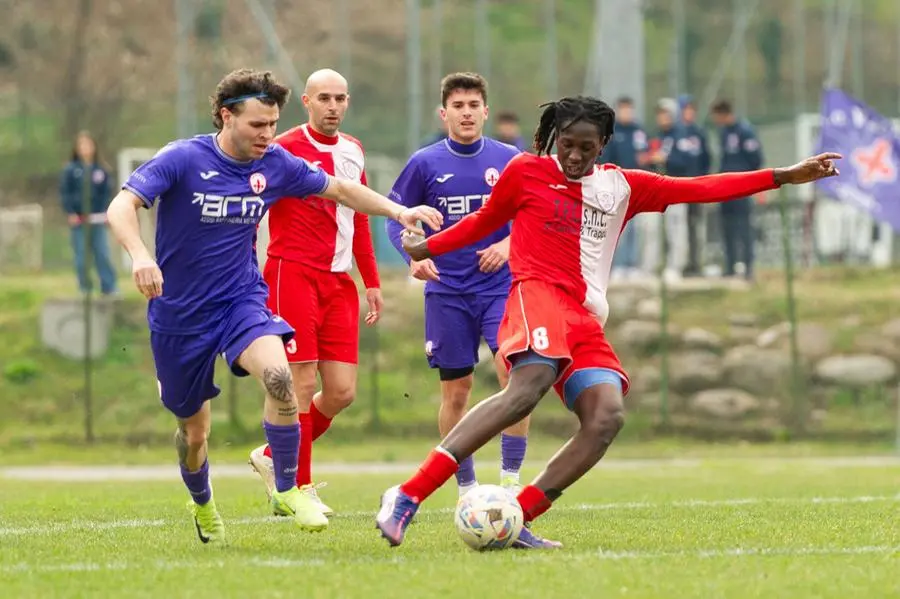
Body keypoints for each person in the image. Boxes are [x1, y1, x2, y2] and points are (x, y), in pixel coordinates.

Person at [374, 95, 841, 549]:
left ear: (603, 145)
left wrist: (783, 176)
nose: (574, 155)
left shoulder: (623, 187)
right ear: (555, 139)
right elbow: (484, 221)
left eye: (586, 147)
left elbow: (701, 186)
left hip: (585, 317)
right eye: (567, 145)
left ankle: (516, 519)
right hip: (535, 294)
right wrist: (426, 247)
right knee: (528, 385)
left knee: (605, 418)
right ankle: (409, 493)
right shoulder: (526, 171)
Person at [105, 68, 442, 544]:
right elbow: (121, 207)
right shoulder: (182, 158)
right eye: (257, 125)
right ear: (226, 116)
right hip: (179, 313)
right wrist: (140, 256)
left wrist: (398, 210)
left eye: (272, 124)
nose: (267, 135)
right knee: (194, 433)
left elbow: (342, 190)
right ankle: (202, 501)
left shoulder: (276, 164)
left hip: (241, 301)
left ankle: (287, 487)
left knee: (282, 377)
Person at [385, 72, 530, 495]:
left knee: (514, 375)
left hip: (499, 288)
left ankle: (511, 482)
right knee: (456, 390)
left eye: (473, 106)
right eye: (458, 106)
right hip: (447, 291)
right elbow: (400, 222)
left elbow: (533, 216)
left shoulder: (510, 159)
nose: (466, 114)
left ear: (485, 111)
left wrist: (506, 244)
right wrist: (413, 257)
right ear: (443, 112)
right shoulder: (424, 163)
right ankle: (466, 487)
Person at [247, 69, 382, 518]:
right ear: (306, 101)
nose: (333, 106)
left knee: (341, 392)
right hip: (292, 274)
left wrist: (373, 282)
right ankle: (298, 486)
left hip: (339, 282)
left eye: (340, 98)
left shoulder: (353, 150)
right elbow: (253, 208)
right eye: (324, 98)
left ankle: (272, 455)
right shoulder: (281, 148)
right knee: (301, 383)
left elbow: (359, 218)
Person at [59, 131, 119, 296]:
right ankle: (85, 289)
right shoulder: (70, 170)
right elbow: (65, 193)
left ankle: (109, 287)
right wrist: (71, 212)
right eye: (81, 145)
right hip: (79, 221)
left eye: (88, 144)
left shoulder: (101, 170)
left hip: (98, 220)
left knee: (102, 254)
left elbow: (107, 194)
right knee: (81, 258)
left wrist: (108, 212)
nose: (85, 148)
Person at [597, 96, 650, 280]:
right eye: (623, 109)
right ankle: (618, 265)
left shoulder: (639, 131)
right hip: (616, 188)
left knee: (636, 228)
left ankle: (632, 264)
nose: (627, 113)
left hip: (636, 188)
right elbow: (605, 159)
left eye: (629, 109)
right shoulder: (612, 132)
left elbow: (646, 155)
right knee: (618, 228)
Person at [711, 98, 763, 280]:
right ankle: (730, 265)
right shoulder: (723, 133)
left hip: (742, 186)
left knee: (743, 227)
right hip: (725, 187)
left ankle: (748, 267)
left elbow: (756, 159)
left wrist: (753, 183)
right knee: (727, 227)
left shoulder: (745, 131)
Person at [677, 95, 712, 277]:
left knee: (697, 226)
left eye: (691, 109)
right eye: (686, 109)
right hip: (680, 187)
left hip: (697, 186)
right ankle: (684, 263)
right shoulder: (677, 132)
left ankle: (698, 262)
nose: (689, 113)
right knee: (681, 227)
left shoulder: (699, 133)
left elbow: (707, 158)